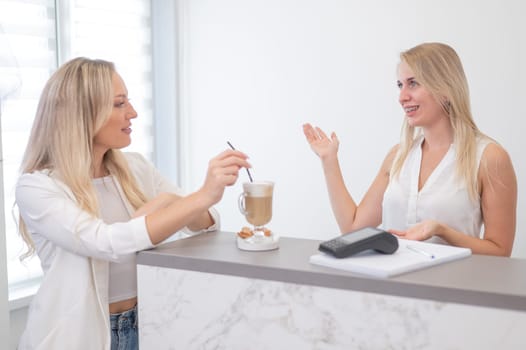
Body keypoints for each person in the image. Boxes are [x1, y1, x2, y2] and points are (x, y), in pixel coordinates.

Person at [15, 57, 251, 349]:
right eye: (119, 103)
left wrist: (179, 201)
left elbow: (206, 225)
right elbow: (105, 242)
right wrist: (195, 197)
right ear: (83, 114)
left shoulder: (135, 167)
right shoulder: (38, 186)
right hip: (79, 338)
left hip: (148, 323)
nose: (134, 113)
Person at [303, 42, 517, 256]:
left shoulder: (489, 158)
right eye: (400, 85)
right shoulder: (398, 156)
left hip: (452, 287)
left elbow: (500, 252)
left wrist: (443, 232)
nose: (402, 97)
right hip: (391, 287)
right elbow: (352, 228)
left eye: (413, 83)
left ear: (445, 89)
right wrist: (329, 160)